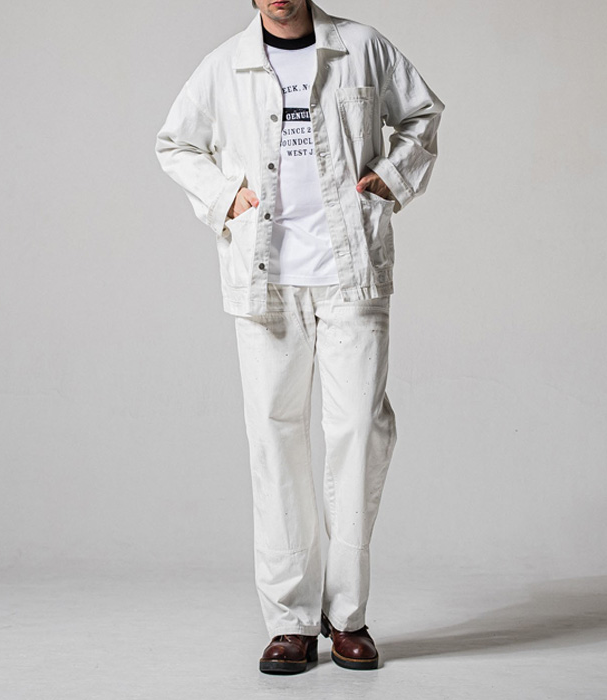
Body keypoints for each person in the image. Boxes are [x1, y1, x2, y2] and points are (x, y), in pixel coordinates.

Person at [155, 0, 443, 675]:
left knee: (359, 435)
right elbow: (176, 144)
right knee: (274, 440)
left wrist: (392, 177)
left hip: (351, 273)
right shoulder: (224, 65)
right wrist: (226, 197)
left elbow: (422, 114)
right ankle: (289, 622)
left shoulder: (362, 47)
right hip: (266, 282)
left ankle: (348, 616)